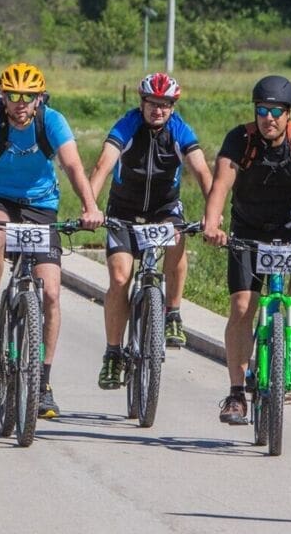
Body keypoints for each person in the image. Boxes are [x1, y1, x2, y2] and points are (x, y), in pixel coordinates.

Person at [0, 62, 103, 419]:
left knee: (50, 293)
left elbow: (72, 166)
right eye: (13, 96)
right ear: (2, 97)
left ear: (40, 98)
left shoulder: (51, 121)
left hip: (40, 205)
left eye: (28, 97)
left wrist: (90, 206)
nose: (20, 103)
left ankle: (43, 382)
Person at [202, 75, 291, 425]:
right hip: (248, 228)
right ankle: (236, 394)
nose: (269, 118)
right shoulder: (240, 139)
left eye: (277, 112)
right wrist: (212, 223)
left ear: (289, 114)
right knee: (242, 306)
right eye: (262, 111)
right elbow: (221, 184)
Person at [88, 73, 213, 390]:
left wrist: (213, 214)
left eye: (165, 105)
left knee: (177, 238)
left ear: (173, 106)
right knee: (119, 278)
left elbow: (200, 169)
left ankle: (172, 313)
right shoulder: (128, 124)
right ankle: (113, 353)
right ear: (141, 103)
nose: (158, 110)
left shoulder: (179, 129)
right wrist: (90, 206)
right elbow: (104, 163)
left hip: (164, 208)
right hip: (124, 210)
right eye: (152, 103)